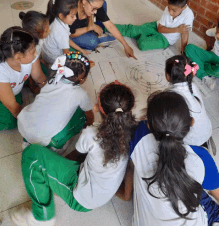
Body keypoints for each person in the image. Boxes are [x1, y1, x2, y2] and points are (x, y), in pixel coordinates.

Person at [11, 81, 137, 226]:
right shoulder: (134, 131)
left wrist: (56, 165)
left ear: (97, 108)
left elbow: (78, 153)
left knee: (31, 154)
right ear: (130, 110)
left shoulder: (92, 134)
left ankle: (42, 218)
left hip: (81, 200)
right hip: (101, 193)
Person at [120, 91, 219, 226]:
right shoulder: (201, 157)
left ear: (148, 123)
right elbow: (217, 194)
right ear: (191, 122)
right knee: (203, 196)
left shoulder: (139, 134)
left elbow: (130, 169)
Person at [17, 51, 94, 152]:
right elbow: (89, 115)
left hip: (23, 125)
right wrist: (89, 124)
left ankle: (27, 141)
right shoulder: (81, 94)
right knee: (81, 116)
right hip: (43, 140)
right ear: (83, 80)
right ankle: (54, 149)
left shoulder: (52, 80)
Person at [69, 0, 137, 59]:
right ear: (84, 1)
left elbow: (110, 25)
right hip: (73, 33)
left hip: (86, 25)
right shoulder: (71, 10)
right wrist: (91, 27)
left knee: (103, 4)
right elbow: (71, 34)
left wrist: (126, 45)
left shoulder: (93, 7)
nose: (95, 12)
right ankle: (96, 35)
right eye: (93, 8)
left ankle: (99, 32)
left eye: (96, 9)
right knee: (92, 42)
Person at [115, 0, 194, 53]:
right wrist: (177, 29)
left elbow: (184, 34)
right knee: (131, 29)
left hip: (165, 39)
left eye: (174, 10)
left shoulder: (189, 15)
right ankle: (105, 26)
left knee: (143, 45)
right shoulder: (170, 8)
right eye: (169, 8)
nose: (170, 12)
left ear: (183, 7)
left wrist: (184, 53)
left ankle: (140, 33)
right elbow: (160, 29)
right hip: (156, 26)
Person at [0, 27, 47, 131]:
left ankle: (28, 83)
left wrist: (50, 93)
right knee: (10, 121)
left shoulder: (26, 56)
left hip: (14, 85)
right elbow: (14, 108)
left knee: (45, 73)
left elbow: (39, 77)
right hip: (4, 93)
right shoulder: (1, 72)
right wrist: (33, 122)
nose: (36, 54)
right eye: (32, 51)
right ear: (18, 57)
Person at [165, 55, 212, 146]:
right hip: (207, 131)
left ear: (168, 76)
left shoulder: (170, 95)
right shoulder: (193, 86)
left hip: (192, 141)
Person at [42, 0, 89, 65]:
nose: (75, 18)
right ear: (61, 16)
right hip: (54, 59)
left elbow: (67, 40)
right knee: (81, 63)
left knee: (78, 53)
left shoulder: (56, 19)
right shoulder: (61, 31)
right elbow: (66, 55)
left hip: (47, 55)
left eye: (75, 15)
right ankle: (51, 66)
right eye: (72, 16)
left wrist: (81, 50)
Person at [19, 10, 50, 94]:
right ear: (36, 33)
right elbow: (28, 66)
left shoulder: (38, 39)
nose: (49, 31)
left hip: (31, 65)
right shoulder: (28, 49)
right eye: (46, 31)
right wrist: (32, 84)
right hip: (22, 72)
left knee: (46, 72)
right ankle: (30, 84)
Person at [185, 22, 219, 90]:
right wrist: (209, 46)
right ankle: (205, 76)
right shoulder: (215, 30)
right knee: (189, 48)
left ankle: (202, 66)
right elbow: (207, 33)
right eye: (217, 32)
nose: (217, 36)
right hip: (212, 55)